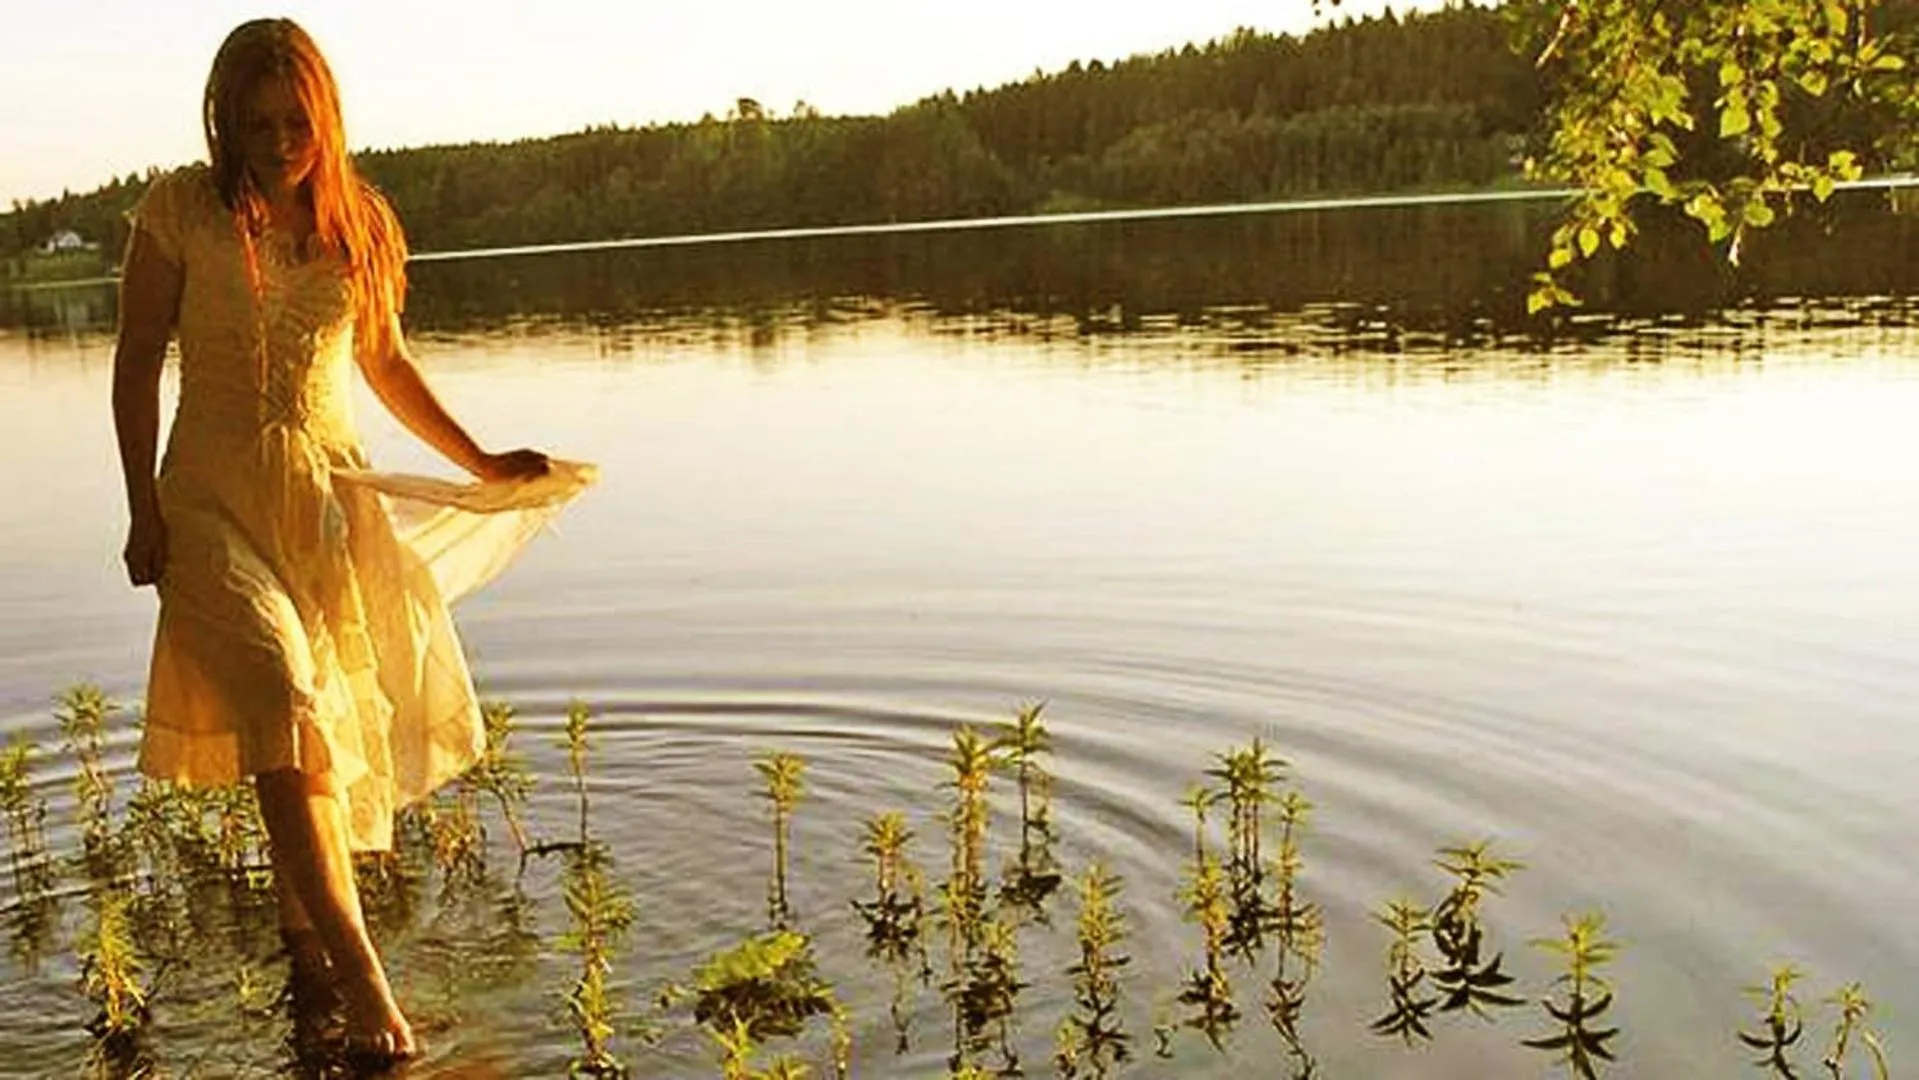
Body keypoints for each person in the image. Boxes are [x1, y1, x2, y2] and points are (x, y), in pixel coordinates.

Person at [110, 17, 594, 1066]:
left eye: (296, 120)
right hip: (207, 501)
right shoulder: (180, 211)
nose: (280, 139)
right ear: (223, 122)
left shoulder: (358, 222)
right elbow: (139, 356)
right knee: (285, 700)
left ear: (323, 117)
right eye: (256, 122)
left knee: (313, 735)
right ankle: (367, 982)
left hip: (325, 502)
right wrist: (141, 507)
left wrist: (479, 461)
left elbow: (384, 364)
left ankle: (307, 976)